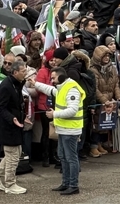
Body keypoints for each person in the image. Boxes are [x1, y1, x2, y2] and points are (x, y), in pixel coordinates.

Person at [33, 66, 85, 195]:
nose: (52, 81)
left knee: (70, 158)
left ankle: (73, 185)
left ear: (61, 77)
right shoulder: (63, 87)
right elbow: (50, 90)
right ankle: (66, 183)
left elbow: (72, 110)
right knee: (63, 156)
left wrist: (54, 114)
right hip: (63, 129)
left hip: (71, 130)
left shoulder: (71, 89)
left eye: (54, 78)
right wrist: (35, 84)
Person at [0, 59, 29, 195]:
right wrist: (12, 118)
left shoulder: (16, 83)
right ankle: (10, 184)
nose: (25, 73)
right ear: (15, 72)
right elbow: (0, 107)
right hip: (8, 126)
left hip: (16, 124)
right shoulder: (6, 85)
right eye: (23, 71)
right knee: (12, 155)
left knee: (14, 153)